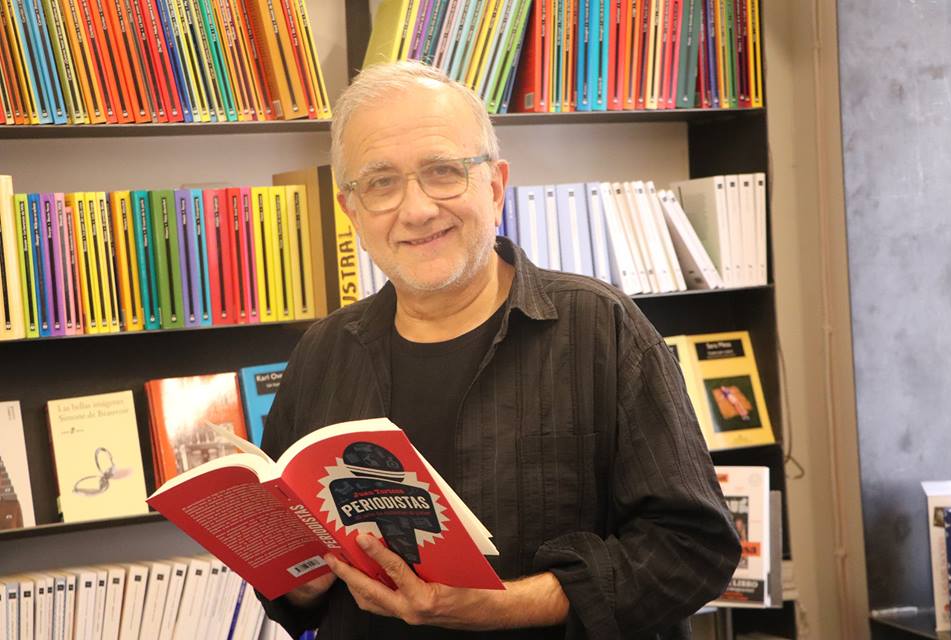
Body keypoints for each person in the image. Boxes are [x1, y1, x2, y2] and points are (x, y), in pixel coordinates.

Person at [256, 60, 741, 639]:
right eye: (381, 182)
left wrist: (505, 605)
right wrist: (299, 579)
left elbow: (694, 550)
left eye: (443, 171)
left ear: (495, 185)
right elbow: (290, 579)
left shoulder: (601, 328)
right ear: (352, 211)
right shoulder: (323, 352)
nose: (416, 210)